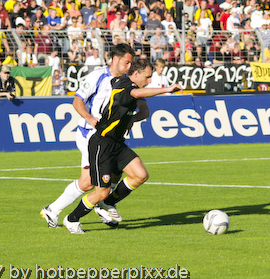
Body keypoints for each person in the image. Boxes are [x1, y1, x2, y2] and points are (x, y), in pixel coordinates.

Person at [62, 59, 183, 234]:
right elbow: (136, 93)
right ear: (136, 74)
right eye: (147, 77)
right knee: (100, 192)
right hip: (102, 144)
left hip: (117, 144)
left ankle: (109, 203)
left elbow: (143, 108)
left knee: (140, 175)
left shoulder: (123, 84)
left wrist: (130, 120)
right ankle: (72, 219)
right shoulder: (125, 86)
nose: (149, 81)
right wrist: (166, 89)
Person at [40, 43, 137, 229]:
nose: (129, 67)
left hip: (107, 138)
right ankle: (101, 206)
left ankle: (52, 210)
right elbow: (77, 100)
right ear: (115, 59)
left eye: (131, 63)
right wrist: (89, 117)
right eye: (126, 62)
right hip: (90, 135)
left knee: (87, 182)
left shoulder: (124, 82)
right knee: (99, 181)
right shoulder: (98, 76)